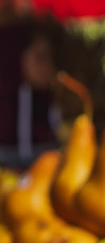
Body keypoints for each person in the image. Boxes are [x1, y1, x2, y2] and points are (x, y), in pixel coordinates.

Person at [0, 26, 58, 166]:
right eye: (40, 57)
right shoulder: (5, 104)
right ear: (18, 58)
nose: (47, 65)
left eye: (49, 57)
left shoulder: (46, 102)